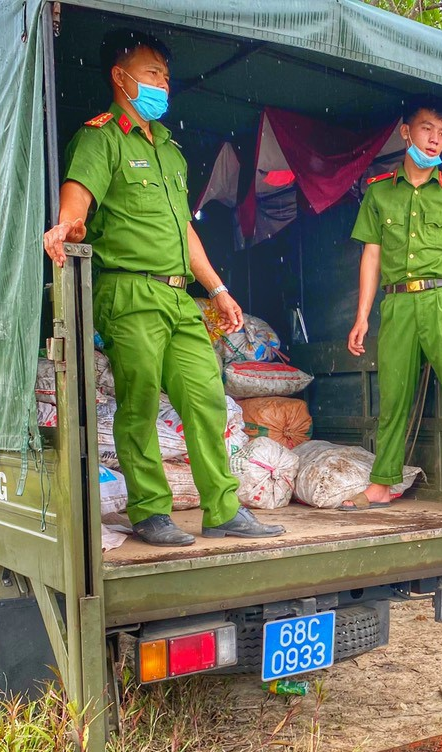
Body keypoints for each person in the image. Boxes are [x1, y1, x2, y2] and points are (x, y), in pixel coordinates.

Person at [42, 30, 283, 547]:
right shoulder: (100, 137)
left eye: (165, 77)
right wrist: (69, 225)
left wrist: (217, 288)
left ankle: (223, 509)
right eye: (152, 74)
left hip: (178, 297)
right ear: (120, 76)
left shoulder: (169, 150)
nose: (161, 84)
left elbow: (185, 231)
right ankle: (150, 511)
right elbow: (77, 197)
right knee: (139, 403)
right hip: (127, 293)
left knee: (206, 397)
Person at [344, 95, 442, 518]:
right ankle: (381, 484)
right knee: (392, 397)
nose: (435, 140)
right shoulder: (379, 194)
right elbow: (371, 256)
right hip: (396, 306)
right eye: (427, 129)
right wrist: (361, 316)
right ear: (406, 132)